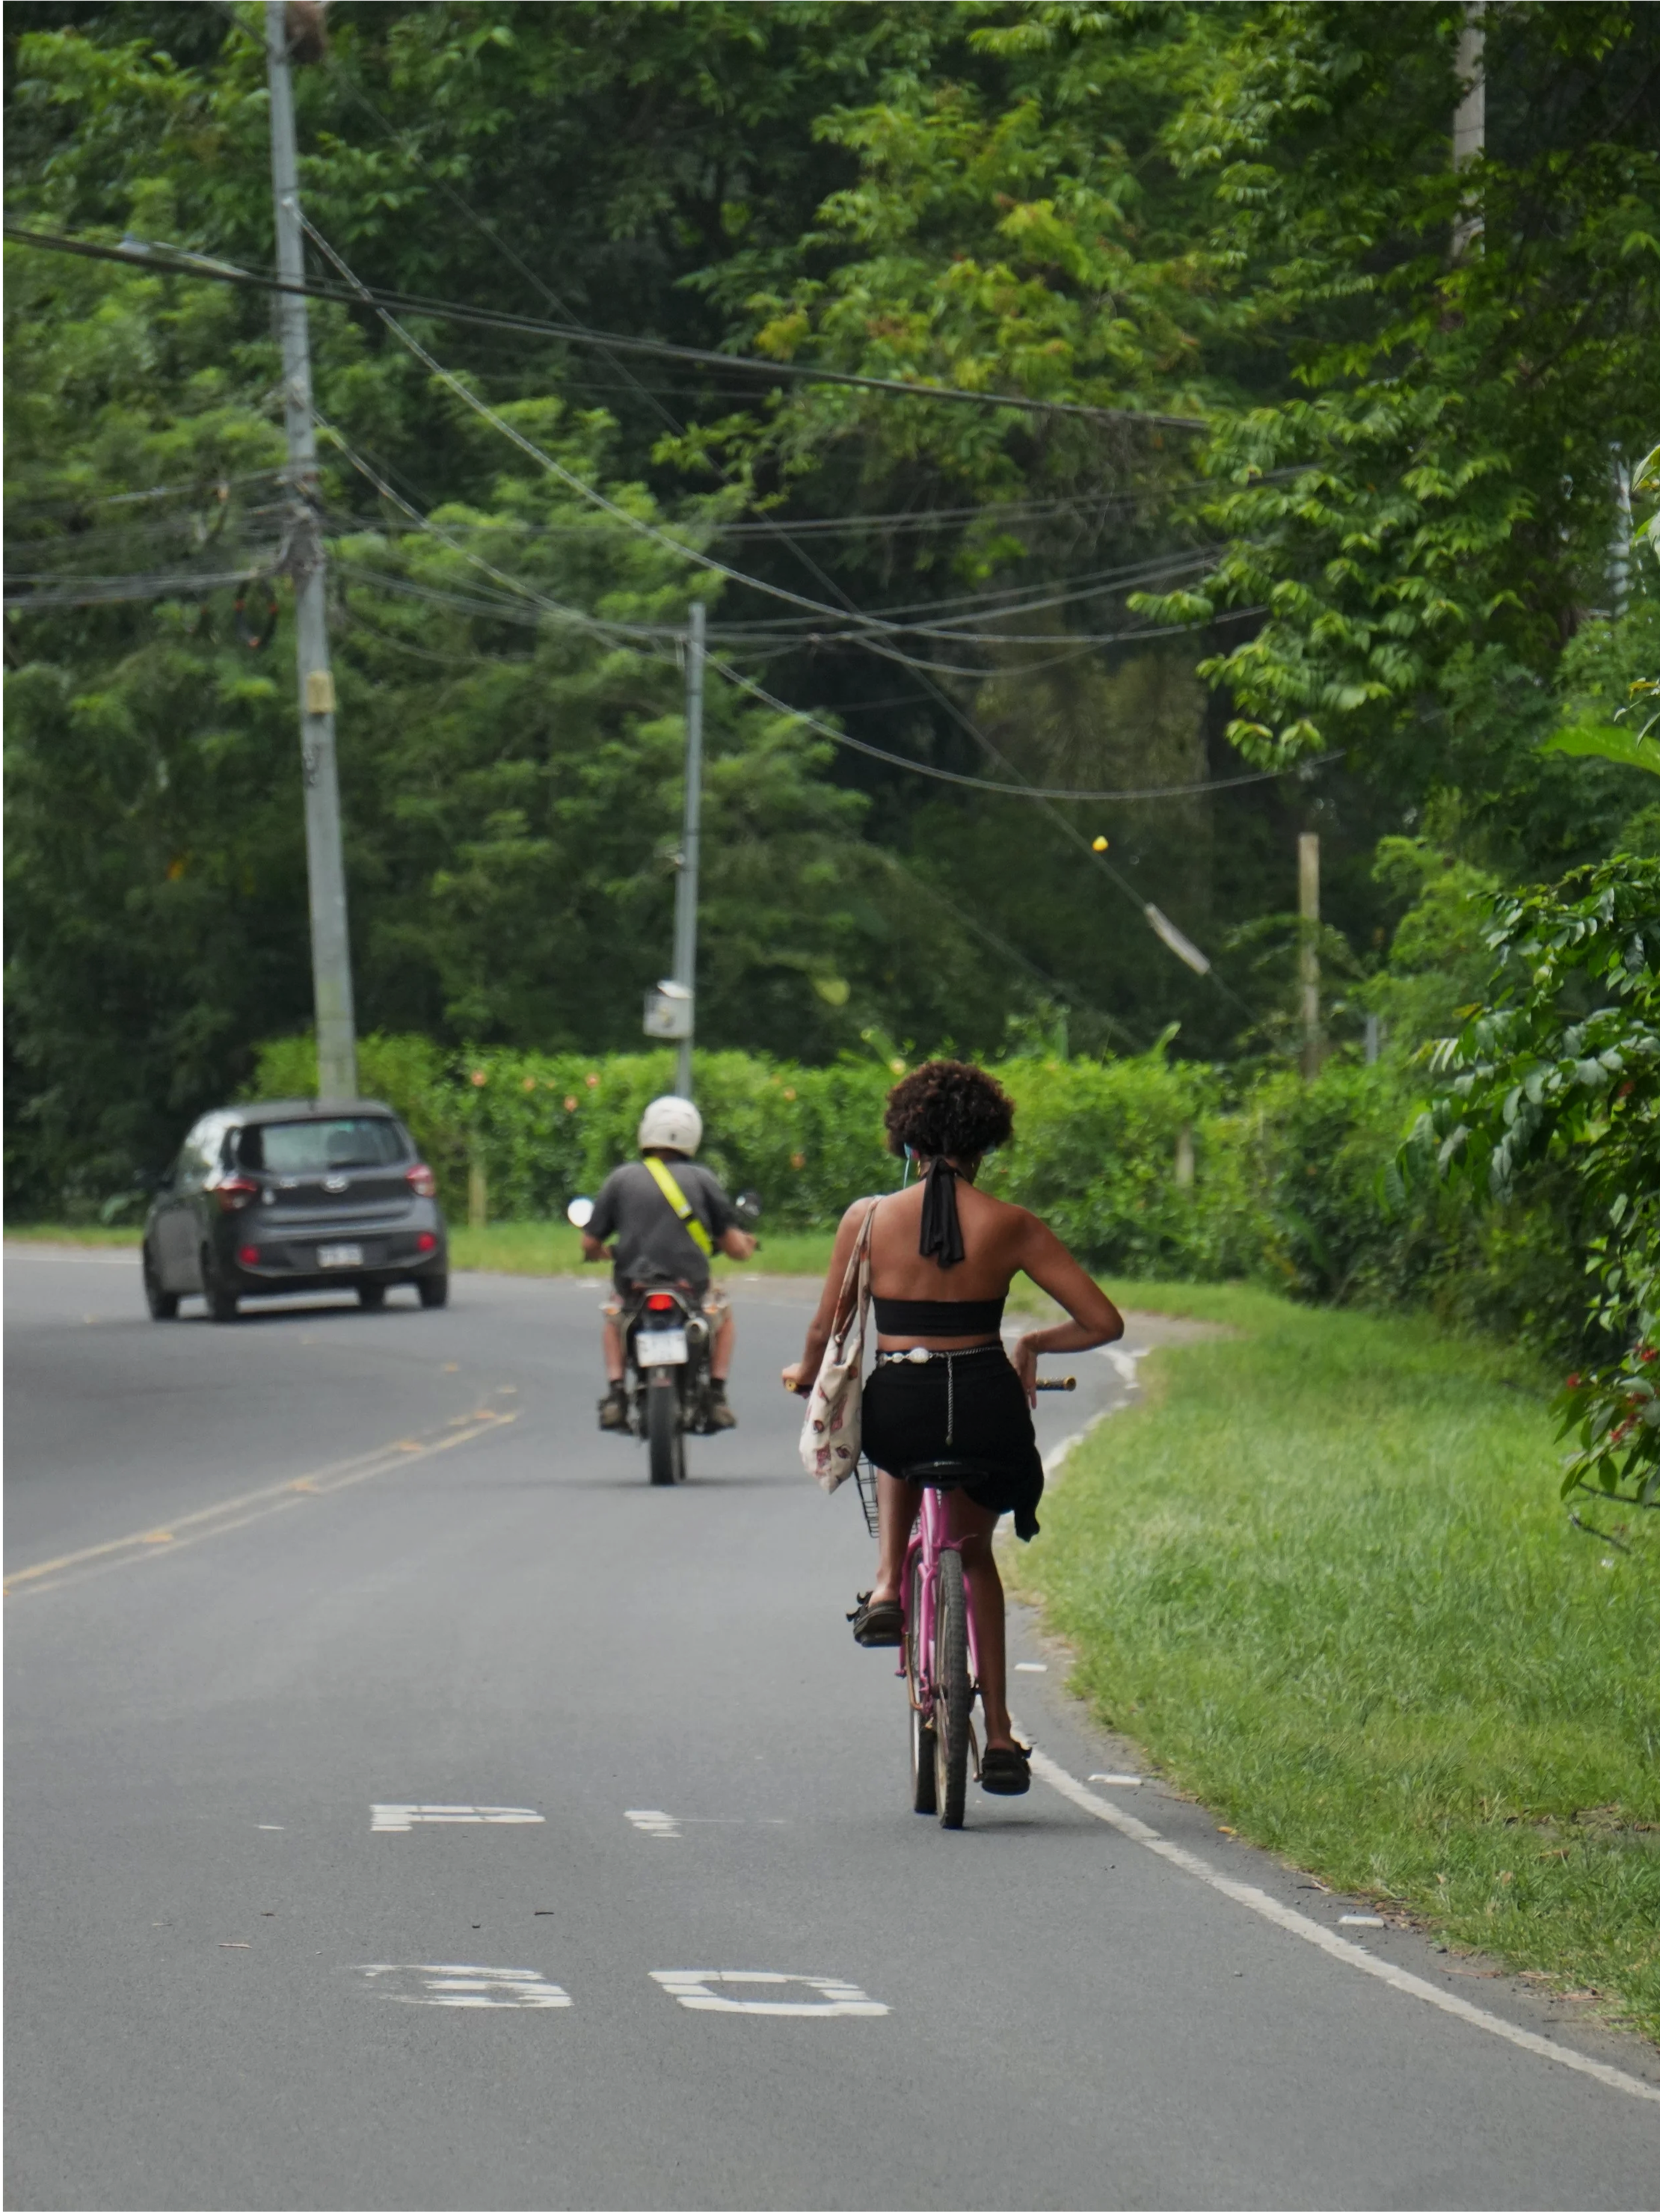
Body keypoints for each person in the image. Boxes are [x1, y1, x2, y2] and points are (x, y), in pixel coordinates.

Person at [782, 1060, 1122, 1796]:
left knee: (898, 1438)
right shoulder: (1014, 1226)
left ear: (906, 1140)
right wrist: (1030, 1345)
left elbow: (831, 1326)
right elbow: (1103, 1322)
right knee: (973, 1555)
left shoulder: (868, 1220)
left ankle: (884, 1589)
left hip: (900, 1402)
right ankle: (998, 1734)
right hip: (984, 1404)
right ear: (985, 1145)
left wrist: (806, 1373)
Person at [582, 1095, 756, 1431]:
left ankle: (617, 1392)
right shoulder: (703, 1179)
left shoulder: (620, 1179)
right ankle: (717, 1395)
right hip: (689, 1288)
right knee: (725, 1317)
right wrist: (746, 1248)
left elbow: (589, 1243)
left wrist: (604, 1253)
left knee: (612, 1317)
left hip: (634, 1287)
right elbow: (733, 1247)